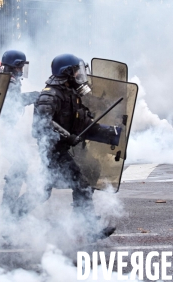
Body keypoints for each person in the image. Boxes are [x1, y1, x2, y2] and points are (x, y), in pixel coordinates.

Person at [10, 54, 114, 241]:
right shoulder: (50, 95)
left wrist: (113, 134)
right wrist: (67, 136)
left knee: (42, 192)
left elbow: (85, 124)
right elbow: (43, 124)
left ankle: (10, 220)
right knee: (81, 184)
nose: (79, 75)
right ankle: (88, 227)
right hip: (52, 151)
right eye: (76, 71)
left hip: (62, 150)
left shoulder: (71, 95)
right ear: (66, 73)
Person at [0, 50, 39, 219]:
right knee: (20, 165)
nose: (22, 69)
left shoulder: (10, 80)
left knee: (20, 165)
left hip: (7, 129)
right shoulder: (7, 82)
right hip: (3, 130)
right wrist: (35, 96)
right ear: (14, 66)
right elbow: (11, 103)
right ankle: (7, 210)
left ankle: (8, 207)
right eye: (20, 66)